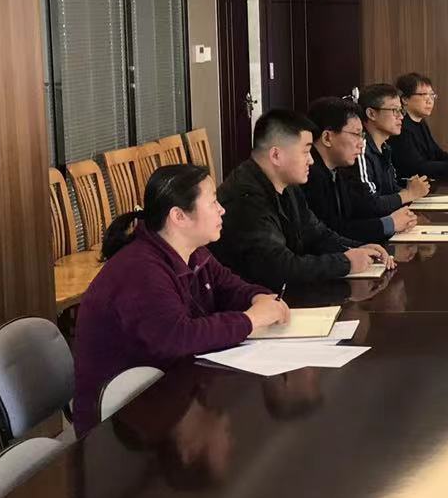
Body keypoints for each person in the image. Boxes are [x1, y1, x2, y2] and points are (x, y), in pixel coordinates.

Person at [71, 163, 289, 435]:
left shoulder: (194, 252)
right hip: (119, 425)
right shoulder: (140, 270)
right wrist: (250, 319)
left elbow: (229, 287)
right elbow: (179, 337)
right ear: (179, 216)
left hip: (166, 398)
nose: (222, 210)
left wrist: (258, 297)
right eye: (213, 202)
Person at [213, 108, 395, 288]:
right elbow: (279, 268)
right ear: (276, 155)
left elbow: (316, 233)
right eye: (305, 151)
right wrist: (345, 262)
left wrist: (357, 249)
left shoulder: (287, 184)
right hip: (256, 297)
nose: (311, 160)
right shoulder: (245, 199)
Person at [305, 96, 417, 245]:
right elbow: (332, 231)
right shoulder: (308, 176)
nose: (361, 144)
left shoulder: (339, 170)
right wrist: (389, 223)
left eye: (362, 135)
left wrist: (391, 221)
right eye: (356, 134)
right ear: (327, 138)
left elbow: (355, 216)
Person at [389, 71, 448, 179]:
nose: (430, 101)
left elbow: (437, 154)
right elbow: (417, 168)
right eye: (423, 95)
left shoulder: (420, 122)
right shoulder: (400, 127)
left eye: (432, 95)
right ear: (405, 99)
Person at [355, 82, 430, 209]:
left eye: (401, 111)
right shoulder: (359, 148)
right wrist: (409, 194)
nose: (401, 117)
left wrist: (410, 187)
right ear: (371, 114)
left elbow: (390, 189)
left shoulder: (385, 147)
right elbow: (370, 204)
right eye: (394, 110)